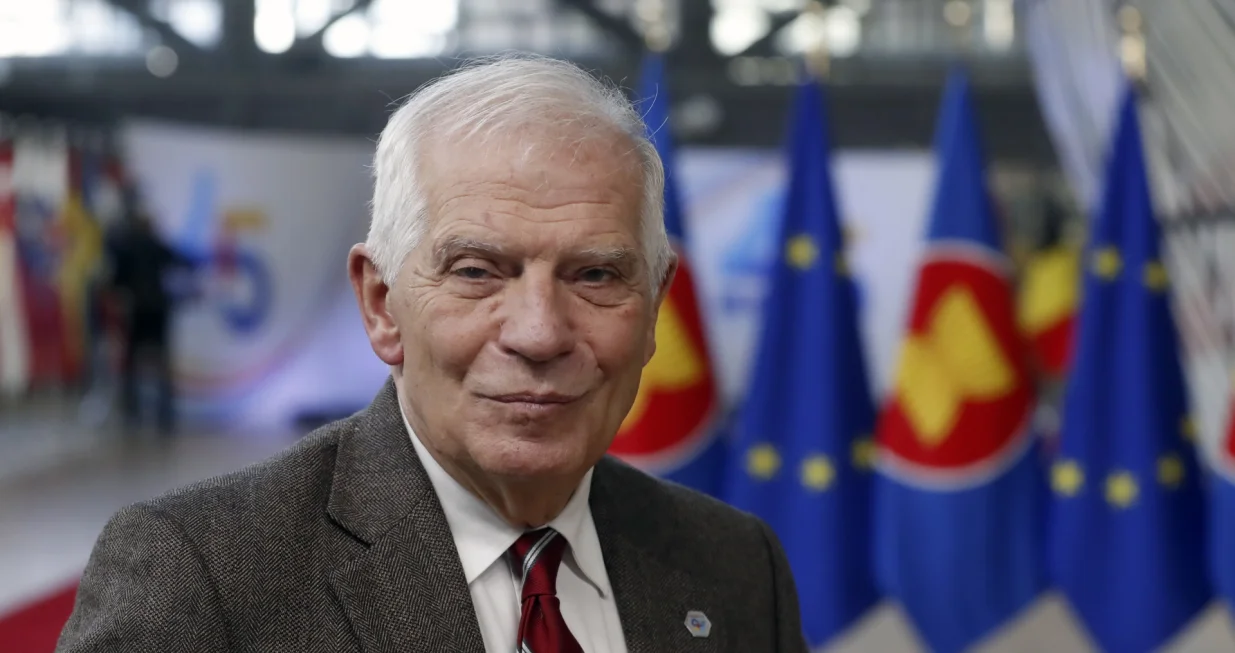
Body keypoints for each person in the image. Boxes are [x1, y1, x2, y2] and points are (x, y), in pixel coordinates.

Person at [56, 55, 807, 652]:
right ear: (381, 304)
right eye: (477, 271)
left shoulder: (735, 564)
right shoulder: (200, 576)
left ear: (654, 307)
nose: (539, 332)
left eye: (595, 275)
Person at [103, 208, 190, 434]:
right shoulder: (156, 245)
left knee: (132, 361)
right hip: (158, 309)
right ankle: (165, 413)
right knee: (161, 360)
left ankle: (132, 412)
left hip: (137, 309)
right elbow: (183, 261)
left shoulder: (127, 248)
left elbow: (115, 280)